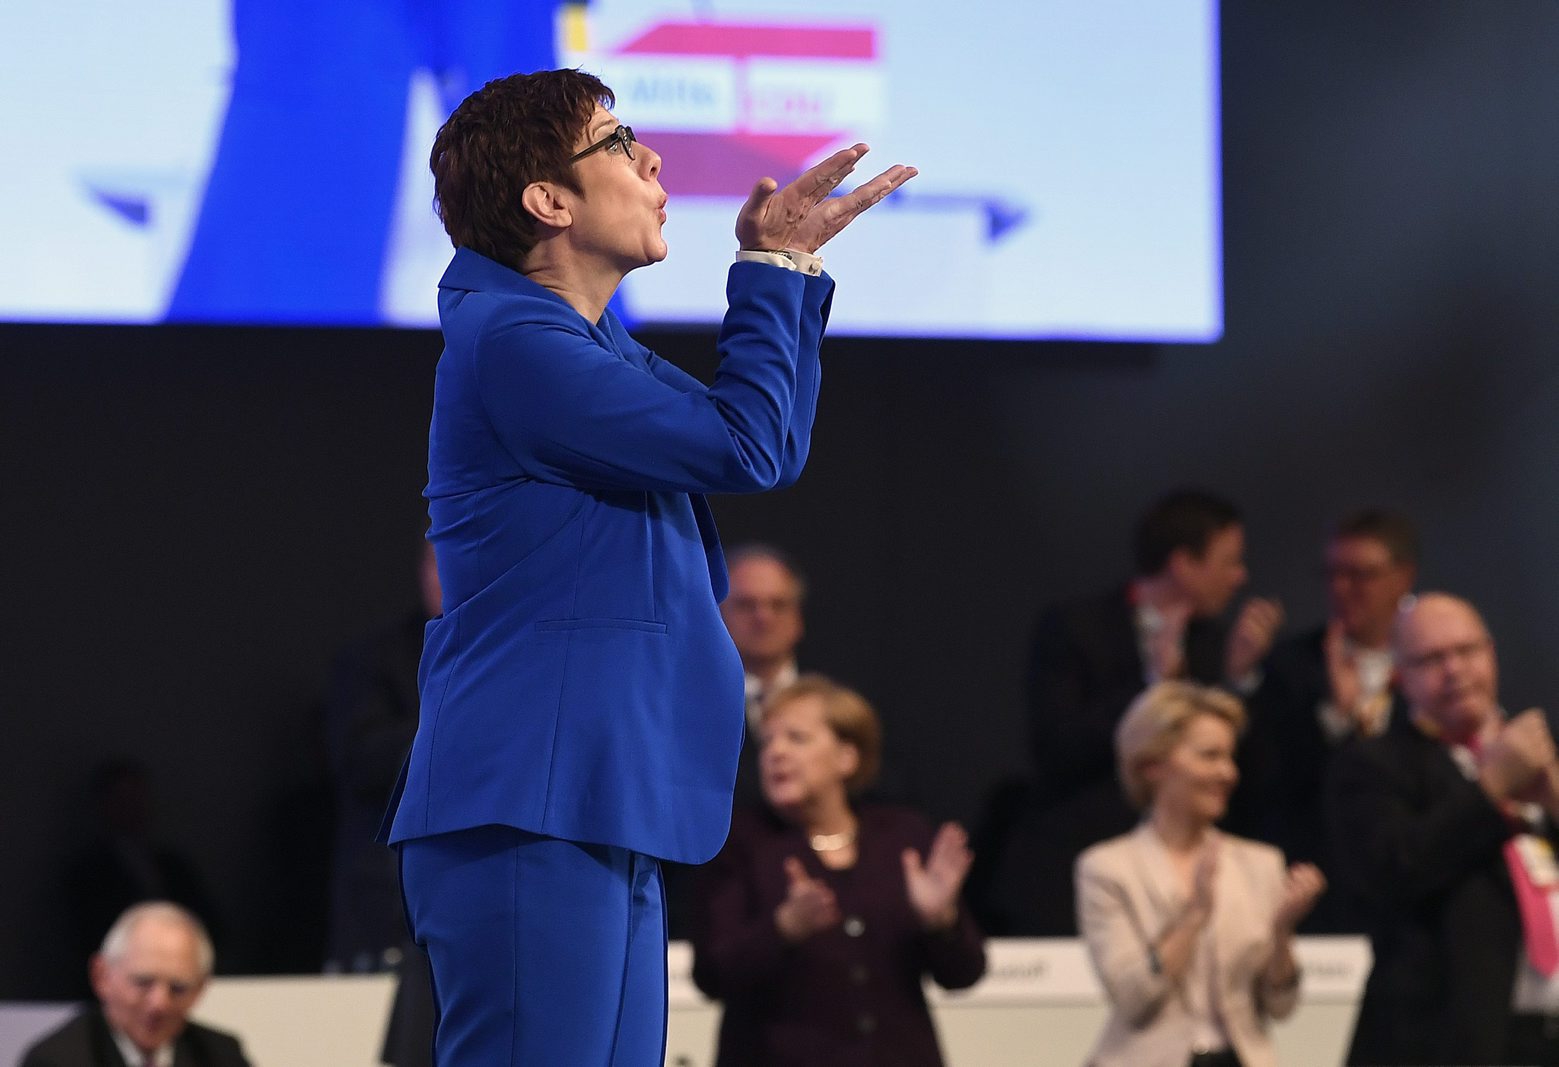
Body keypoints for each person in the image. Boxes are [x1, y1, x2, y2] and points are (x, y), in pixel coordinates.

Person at [378, 68, 916, 1066]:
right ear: (548, 201)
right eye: (617, 142)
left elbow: (759, 442)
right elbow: (747, 446)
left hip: (587, 795)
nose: (652, 158)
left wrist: (784, 264)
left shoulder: (579, 343)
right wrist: (771, 265)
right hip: (528, 802)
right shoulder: (516, 344)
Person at [1008, 490, 1282, 934]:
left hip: (1185, 874)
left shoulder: (1216, 646)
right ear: (1183, 564)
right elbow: (1056, 747)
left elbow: (1251, 774)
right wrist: (1154, 688)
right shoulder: (1076, 627)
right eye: (1229, 561)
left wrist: (1240, 682)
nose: (1240, 576)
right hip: (1075, 867)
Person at [691, 676, 985, 1067]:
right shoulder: (740, 843)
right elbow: (711, 973)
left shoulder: (901, 836)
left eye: (796, 738)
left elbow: (963, 974)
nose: (775, 753)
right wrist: (782, 929)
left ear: (847, 757)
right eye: (768, 742)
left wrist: (940, 920)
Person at [1326, 593, 1559, 1066]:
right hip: (1449, 1040)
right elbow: (1394, 867)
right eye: (1431, 659)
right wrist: (1490, 788)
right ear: (1400, 675)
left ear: (1491, 653)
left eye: (1466, 651)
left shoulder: (1534, 757)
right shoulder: (1374, 764)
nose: (1454, 670)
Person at [1075, 682, 1324, 1067]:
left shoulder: (1260, 863)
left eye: (1230, 757)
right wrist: (1193, 917)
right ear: (1152, 765)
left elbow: (1281, 1006)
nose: (1228, 773)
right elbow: (1132, 998)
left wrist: (1282, 933)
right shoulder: (1108, 869)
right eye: (1210, 756)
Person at [1240, 510, 1417, 931]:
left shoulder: (1430, 664)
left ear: (1403, 577)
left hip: (1407, 883)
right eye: (1333, 573)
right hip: (1320, 888)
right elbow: (1265, 784)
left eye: (1359, 575)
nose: (1342, 588)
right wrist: (1338, 721)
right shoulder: (1292, 666)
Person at [21, 901, 252, 1067]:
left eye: (178, 988)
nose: (159, 1004)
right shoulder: (56, 1060)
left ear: (201, 989)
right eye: (143, 983)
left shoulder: (222, 1055)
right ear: (102, 976)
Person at [721, 543, 808, 807]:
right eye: (747, 605)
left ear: (798, 617)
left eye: (778, 604)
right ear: (719, 613)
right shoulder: (687, 703)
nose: (763, 617)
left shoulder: (842, 697)